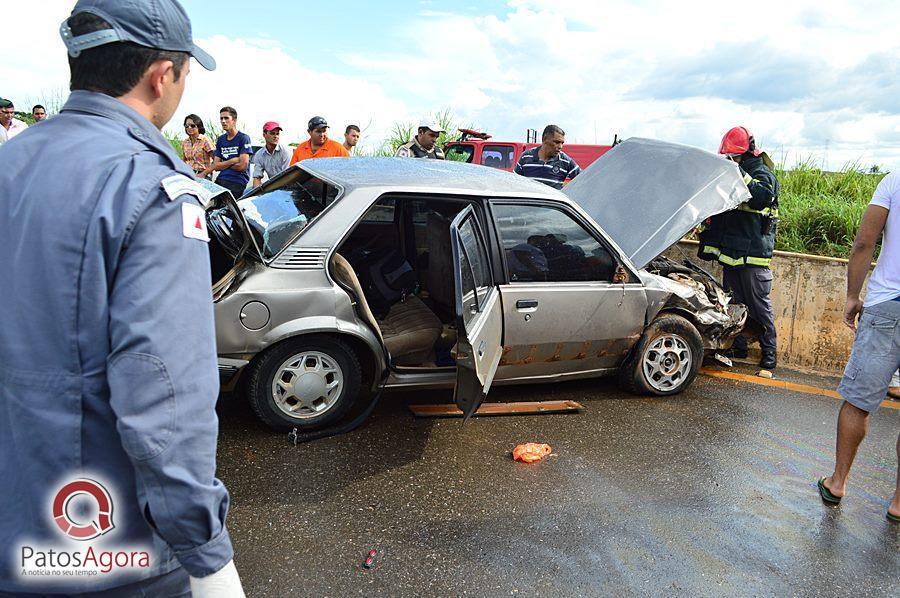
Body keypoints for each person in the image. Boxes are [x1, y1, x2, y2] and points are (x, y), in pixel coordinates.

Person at [0, 1, 244, 595]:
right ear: (162, 75)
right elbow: (163, 392)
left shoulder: (13, 161)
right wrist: (206, 554)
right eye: (186, 73)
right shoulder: (153, 191)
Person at [817, 168, 900, 523]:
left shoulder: (894, 181)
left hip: (887, 305)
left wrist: (853, 295)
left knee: (858, 402)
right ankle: (898, 504)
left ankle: (837, 482)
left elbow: (865, 242)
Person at [698, 126, 779, 370]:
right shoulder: (733, 172)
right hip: (732, 254)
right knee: (733, 304)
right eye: (728, 157)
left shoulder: (762, 174)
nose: (730, 161)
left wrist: (737, 172)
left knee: (758, 306)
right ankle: (739, 345)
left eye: (734, 156)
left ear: (746, 153)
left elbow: (761, 197)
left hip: (753, 255)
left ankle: (769, 351)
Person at [201, 105, 252, 198]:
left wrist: (223, 164)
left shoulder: (243, 138)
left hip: (237, 181)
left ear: (234, 120)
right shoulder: (221, 139)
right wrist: (233, 161)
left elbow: (243, 166)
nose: (223, 121)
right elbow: (216, 166)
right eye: (221, 118)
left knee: (225, 209)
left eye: (226, 118)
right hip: (221, 179)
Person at [513, 124, 580, 190]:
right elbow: (514, 182)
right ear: (544, 139)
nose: (560, 146)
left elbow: (584, 180)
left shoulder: (566, 161)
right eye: (557, 142)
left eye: (562, 143)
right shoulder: (525, 157)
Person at [251, 121, 290, 186]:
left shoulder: (285, 151)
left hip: (289, 185)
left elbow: (288, 176)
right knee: (247, 192)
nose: (276, 136)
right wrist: (258, 194)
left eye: (277, 134)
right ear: (264, 135)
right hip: (273, 186)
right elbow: (257, 178)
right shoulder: (259, 154)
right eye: (272, 133)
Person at [182, 112, 214, 178]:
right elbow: (185, 160)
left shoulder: (205, 140)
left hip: (203, 174)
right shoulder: (185, 142)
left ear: (199, 126)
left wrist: (205, 173)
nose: (189, 128)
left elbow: (216, 160)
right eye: (187, 126)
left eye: (192, 125)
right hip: (189, 174)